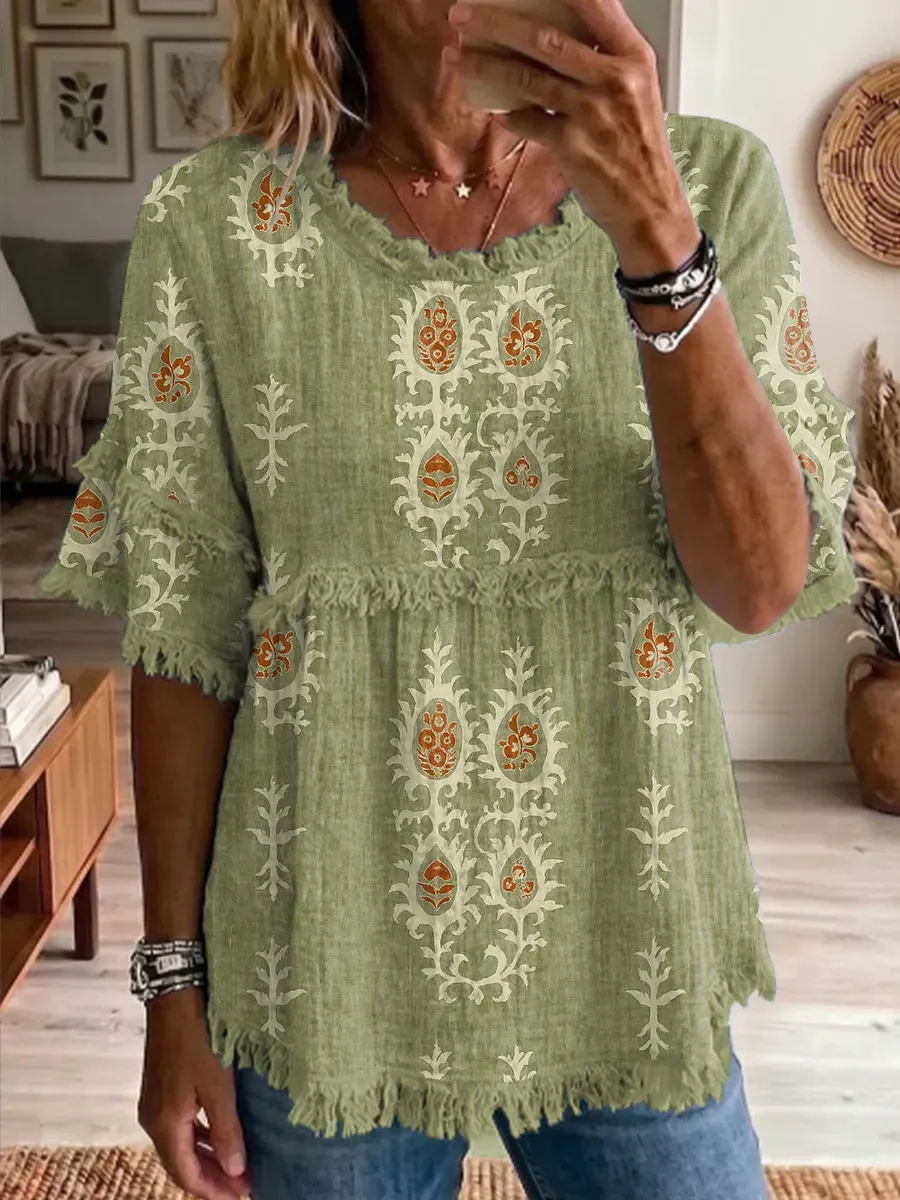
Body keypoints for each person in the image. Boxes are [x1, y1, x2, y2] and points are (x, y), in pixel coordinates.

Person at [41, 0, 859, 1197]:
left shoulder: (708, 184)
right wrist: (174, 987)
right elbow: (184, 631)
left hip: (625, 938)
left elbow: (759, 585)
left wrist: (655, 232)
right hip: (324, 955)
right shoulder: (217, 223)